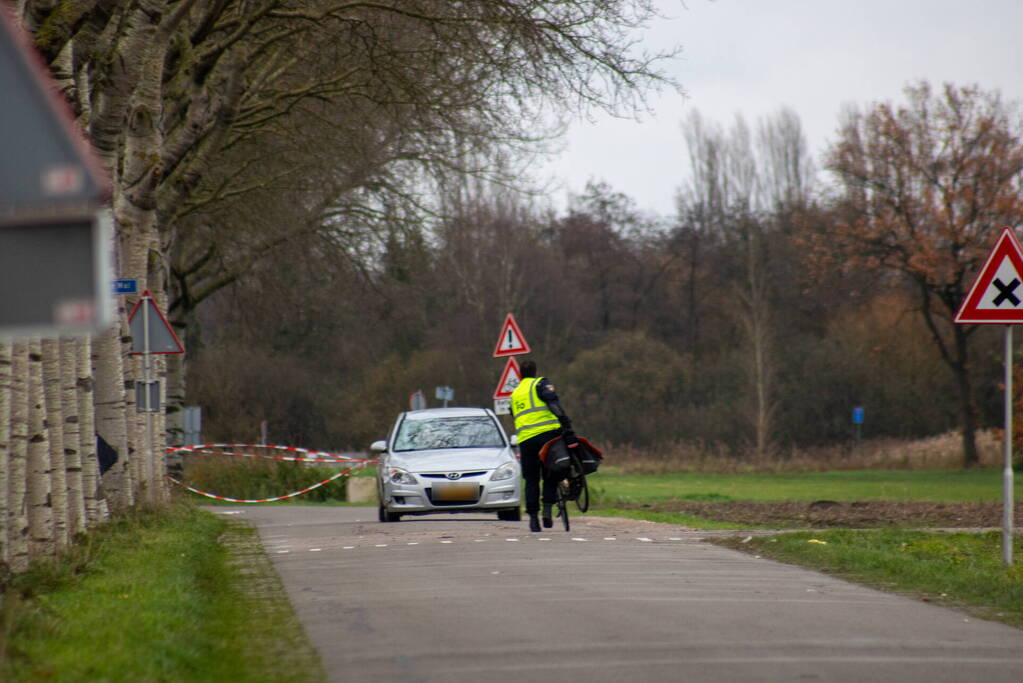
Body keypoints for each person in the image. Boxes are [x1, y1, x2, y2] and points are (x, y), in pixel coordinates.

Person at [510, 359, 577, 532]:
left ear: (519, 374)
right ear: (535, 371)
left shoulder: (515, 393)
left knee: (531, 479)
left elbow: (514, 415)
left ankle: (533, 519)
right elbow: (553, 404)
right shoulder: (540, 384)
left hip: (525, 440)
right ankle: (547, 510)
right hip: (548, 436)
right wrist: (566, 423)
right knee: (550, 473)